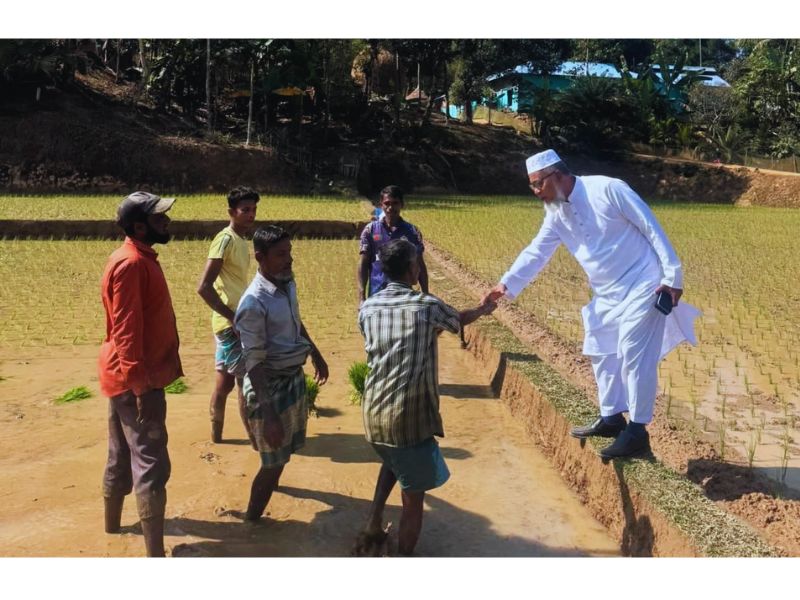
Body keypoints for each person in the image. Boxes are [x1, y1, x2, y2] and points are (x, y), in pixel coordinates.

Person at [482, 149, 700, 459]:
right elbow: (537, 252)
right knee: (599, 347)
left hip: (644, 282)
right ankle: (612, 418)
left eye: (537, 185)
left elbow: (651, 226)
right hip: (607, 292)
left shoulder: (608, 189)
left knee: (632, 352)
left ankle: (637, 431)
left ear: (557, 175)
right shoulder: (556, 212)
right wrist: (505, 284)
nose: (535, 192)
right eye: (531, 186)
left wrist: (673, 276)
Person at [357, 239, 496, 555]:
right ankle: (405, 557)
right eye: (417, 262)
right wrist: (484, 308)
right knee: (413, 498)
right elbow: (456, 320)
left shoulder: (367, 308)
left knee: (394, 460)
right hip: (407, 417)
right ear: (411, 269)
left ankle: (372, 523)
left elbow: (391, 341)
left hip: (372, 415)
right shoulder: (426, 306)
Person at [98, 191, 182, 557]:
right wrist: (140, 387)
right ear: (138, 226)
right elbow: (127, 331)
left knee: (120, 454)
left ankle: (112, 529)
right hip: (137, 378)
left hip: (120, 375)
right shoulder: (133, 264)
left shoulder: (134, 257)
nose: (167, 221)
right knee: (151, 463)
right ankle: (155, 556)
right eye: (159, 217)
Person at [234, 225, 329, 522]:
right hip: (269, 386)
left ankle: (258, 512)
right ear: (260, 258)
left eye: (289, 253)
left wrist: (314, 351)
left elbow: (296, 321)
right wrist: (270, 413)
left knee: (283, 455)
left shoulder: (287, 282)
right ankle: (252, 523)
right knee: (272, 462)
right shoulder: (253, 303)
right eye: (281, 255)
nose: (289, 260)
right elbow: (253, 362)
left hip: (292, 377)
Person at [197, 186, 259, 444]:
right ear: (231, 212)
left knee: (224, 385)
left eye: (254, 210)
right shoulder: (225, 239)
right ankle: (255, 442)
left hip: (231, 322)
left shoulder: (242, 240)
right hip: (230, 324)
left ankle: (216, 437)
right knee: (246, 383)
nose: (251, 215)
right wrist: (233, 317)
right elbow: (204, 287)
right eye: (245, 210)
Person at [358, 185, 428, 303]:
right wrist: (361, 297)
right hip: (376, 294)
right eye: (387, 203)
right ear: (381, 205)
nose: (391, 207)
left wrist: (425, 294)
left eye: (395, 203)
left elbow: (420, 264)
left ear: (402, 204)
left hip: (404, 296)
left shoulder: (412, 232)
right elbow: (363, 264)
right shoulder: (370, 230)